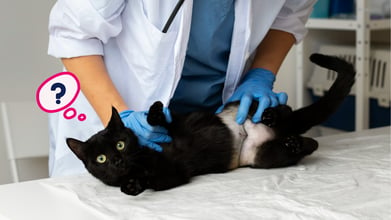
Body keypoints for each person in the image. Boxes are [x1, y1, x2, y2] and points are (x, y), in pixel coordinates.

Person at [48, 0, 316, 177]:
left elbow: (289, 14)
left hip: (207, 132)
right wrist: (119, 117)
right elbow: (74, 33)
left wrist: (261, 73)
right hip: (119, 113)